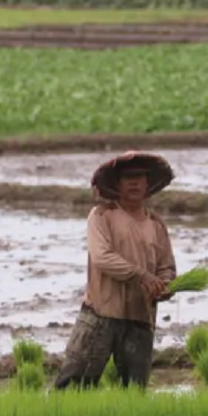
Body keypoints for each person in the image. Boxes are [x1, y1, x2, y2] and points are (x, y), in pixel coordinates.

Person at [54, 152, 178, 390]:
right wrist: (141, 275)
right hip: (101, 313)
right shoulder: (102, 216)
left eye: (140, 177)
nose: (134, 183)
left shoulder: (156, 224)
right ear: (117, 184)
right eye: (128, 177)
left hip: (140, 316)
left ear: (148, 183)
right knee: (75, 384)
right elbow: (102, 257)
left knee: (134, 389)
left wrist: (164, 285)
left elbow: (166, 267)